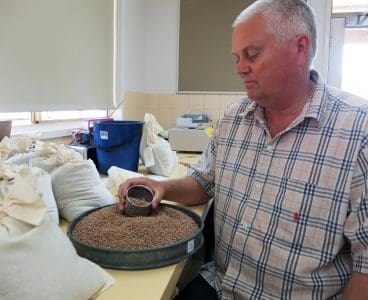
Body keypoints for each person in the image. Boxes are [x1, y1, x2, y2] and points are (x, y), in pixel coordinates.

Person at [118, 0, 368, 298]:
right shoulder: (234, 118)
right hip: (223, 286)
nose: (239, 69)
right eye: (237, 57)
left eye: (252, 54)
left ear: (301, 48)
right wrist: (161, 186)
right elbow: (202, 183)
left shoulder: (358, 130)